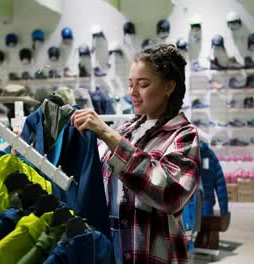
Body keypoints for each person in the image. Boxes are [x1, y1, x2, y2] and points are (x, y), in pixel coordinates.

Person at [70, 44, 201, 264]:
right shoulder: (126, 131)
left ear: (169, 86)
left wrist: (107, 134)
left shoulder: (183, 136)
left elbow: (169, 193)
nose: (132, 93)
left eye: (143, 84)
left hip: (151, 255)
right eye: (131, 84)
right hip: (112, 249)